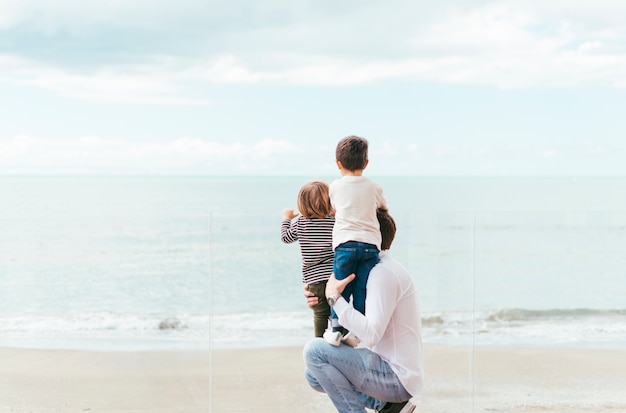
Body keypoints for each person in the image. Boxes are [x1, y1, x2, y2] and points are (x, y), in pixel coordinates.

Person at [303, 209, 423, 413]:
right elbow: (357, 327)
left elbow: (371, 335)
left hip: (396, 377)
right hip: (387, 370)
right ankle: (388, 406)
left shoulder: (383, 274)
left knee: (314, 351)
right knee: (314, 375)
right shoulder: (373, 270)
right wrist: (321, 298)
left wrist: (335, 299)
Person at [325, 135, 388, 346]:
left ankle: (335, 329)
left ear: (338, 163)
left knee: (340, 286)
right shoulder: (374, 186)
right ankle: (357, 333)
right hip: (370, 245)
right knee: (363, 288)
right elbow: (383, 208)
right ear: (366, 163)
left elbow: (333, 208)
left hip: (345, 245)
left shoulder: (335, 186)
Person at [281, 180, 335, 337]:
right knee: (338, 311)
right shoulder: (334, 221)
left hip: (314, 279)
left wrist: (286, 218)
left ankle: (319, 341)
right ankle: (339, 335)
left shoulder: (301, 223)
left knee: (320, 314)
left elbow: (285, 238)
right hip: (334, 276)